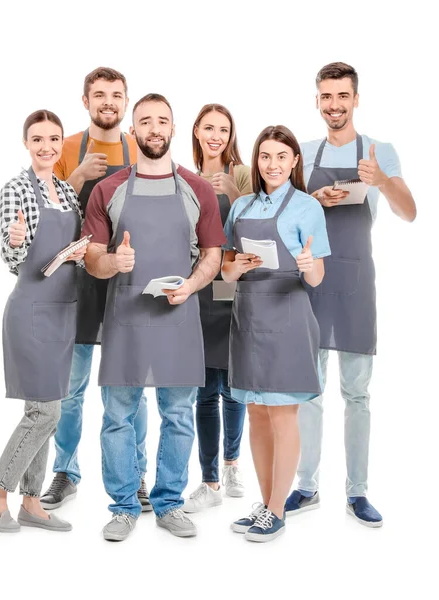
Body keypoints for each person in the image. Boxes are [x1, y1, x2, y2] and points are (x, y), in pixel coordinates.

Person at [82, 93, 226, 541]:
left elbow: (213, 255)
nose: (154, 129)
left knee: (179, 414)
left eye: (162, 121)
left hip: (178, 317)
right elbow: (89, 257)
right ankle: (125, 506)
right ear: (134, 130)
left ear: (173, 129)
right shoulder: (109, 189)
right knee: (118, 416)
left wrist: (192, 284)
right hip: (125, 315)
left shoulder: (197, 189)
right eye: (145, 121)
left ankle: (168, 504)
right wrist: (113, 263)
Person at [285, 62, 416, 528]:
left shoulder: (381, 151)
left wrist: (381, 181)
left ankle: (358, 493)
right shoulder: (302, 152)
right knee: (309, 390)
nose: (334, 105)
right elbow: (282, 221)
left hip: (357, 282)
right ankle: (306, 485)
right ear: (317, 100)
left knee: (357, 392)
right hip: (312, 281)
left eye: (342, 96)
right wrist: (310, 202)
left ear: (356, 98)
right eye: (326, 97)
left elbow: (409, 213)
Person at [40, 68, 150, 512]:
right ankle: (66, 471)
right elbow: (44, 219)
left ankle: (137, 474)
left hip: (127, 279)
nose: (109, 102)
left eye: (117, 95)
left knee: (130, 385)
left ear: (126, 103)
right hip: (78, 284)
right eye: (99, 95)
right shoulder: (65, 150)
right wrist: (76, 179)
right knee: (70, 386)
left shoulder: (141, 149)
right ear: (85, 101)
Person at [0, 110, 85, 533]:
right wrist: (15, 240)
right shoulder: (15, 189)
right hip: (31, 311)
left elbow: (73, 242)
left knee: (47, 409)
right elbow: (12, 254)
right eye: (37, 139)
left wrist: (77, 251)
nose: (46, 147)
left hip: (63, 311)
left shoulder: (66, 191)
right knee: (45, 411)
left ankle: (33, 503)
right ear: (26, 143)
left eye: (54, 139)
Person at [223, 125, 331, 543]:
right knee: (255, 411)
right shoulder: (242, 206)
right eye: (265, 156)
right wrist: (238, 267)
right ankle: (266, 501)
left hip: (288, 315)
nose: (273, 164)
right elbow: (226, 272)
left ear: (294, 161)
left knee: (283, 412)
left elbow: (318, 277)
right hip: (248, 315)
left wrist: (308, 264)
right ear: (257, 160)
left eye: (281, 157)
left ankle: (277, 509)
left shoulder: (307, 207)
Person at [183, 104, 252, 513]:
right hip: (200, 291)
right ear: (195, 131)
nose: (216, 135)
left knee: (235, 388)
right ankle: (209, 481)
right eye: (209, 128)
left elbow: (260, 221)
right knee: (205, 391)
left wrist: (232, 192)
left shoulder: (243, 174)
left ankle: (232, 465)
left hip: (236, 289)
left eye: (223, 129)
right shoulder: (183, 178)